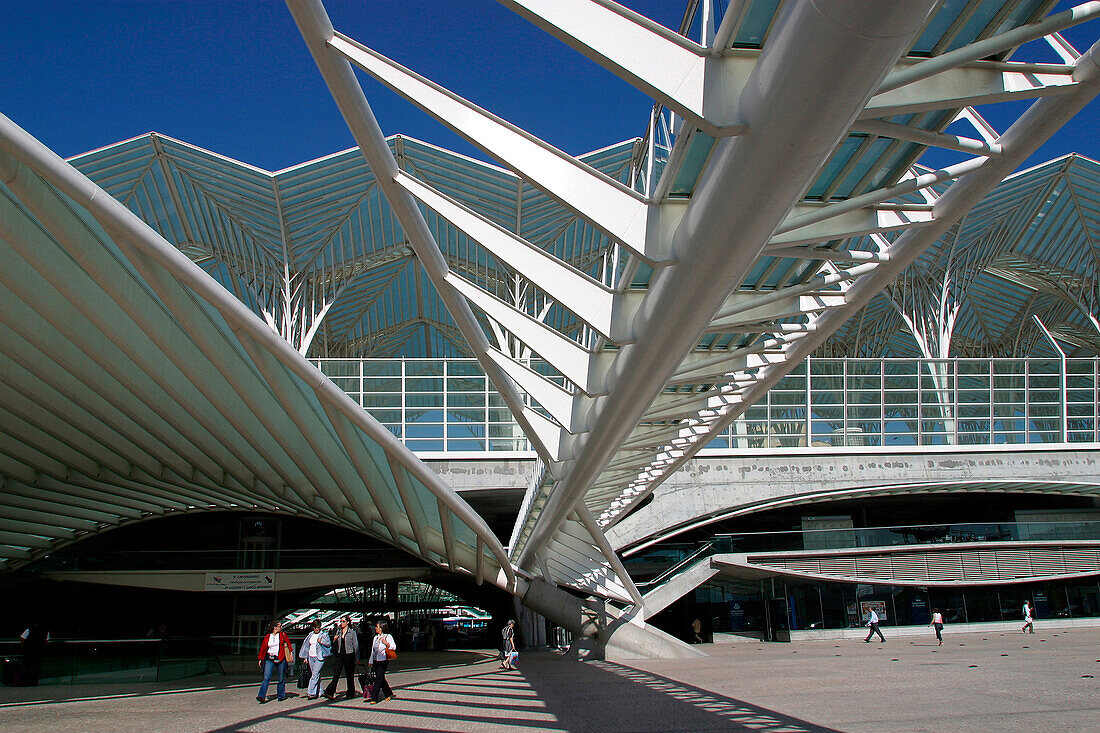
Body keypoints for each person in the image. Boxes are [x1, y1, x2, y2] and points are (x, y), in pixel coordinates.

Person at [256, 620, 293, 704]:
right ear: (274, 627)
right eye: (280, 626)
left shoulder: (283, 635)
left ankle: (281, 695)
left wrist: (290, 653)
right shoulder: (268, 636)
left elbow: (288, 644)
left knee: (281, 678)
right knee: (266, 677)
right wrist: (261, 659)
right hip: (270, 658)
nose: (281, 627)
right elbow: (263, 648)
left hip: (280, 657)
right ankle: (261, 696)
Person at [323, 616, 360, 700]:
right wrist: (334, 639)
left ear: (347, 622)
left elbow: (356, 646)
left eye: (343, 621)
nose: (342, 623)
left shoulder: (352, 633)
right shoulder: (338, 631)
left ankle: (350, 693)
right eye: (341, 621)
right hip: (340, 655)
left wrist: (357, 658)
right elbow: (335, 643)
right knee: (336, 674)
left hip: (349, 655)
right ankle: (330, 692)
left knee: (349, 675)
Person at [298, 620, 330, 700]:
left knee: (314, 674)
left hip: (319, 656)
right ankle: (320, 691)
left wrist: (321, 641)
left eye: (318, 627)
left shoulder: (324, 634)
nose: (317, 629)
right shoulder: (310, 635)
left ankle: (311, 692)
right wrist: (305, 657)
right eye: (315, 627)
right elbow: (306, 646)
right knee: (316, 674)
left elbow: (328, 644)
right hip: (311, 656)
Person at [368, 620, 397, 704]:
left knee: (378, 679)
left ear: (381, 628)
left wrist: (386, 643)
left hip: (383, 660)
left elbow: (393, 647)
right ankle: (388, 693)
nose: (376, 628)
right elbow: (373, 650)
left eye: (377, 627)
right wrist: (370, 660)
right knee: (381, 678)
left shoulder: (388, 636)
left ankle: (374, 697)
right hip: (376, 660)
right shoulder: (375, 638)